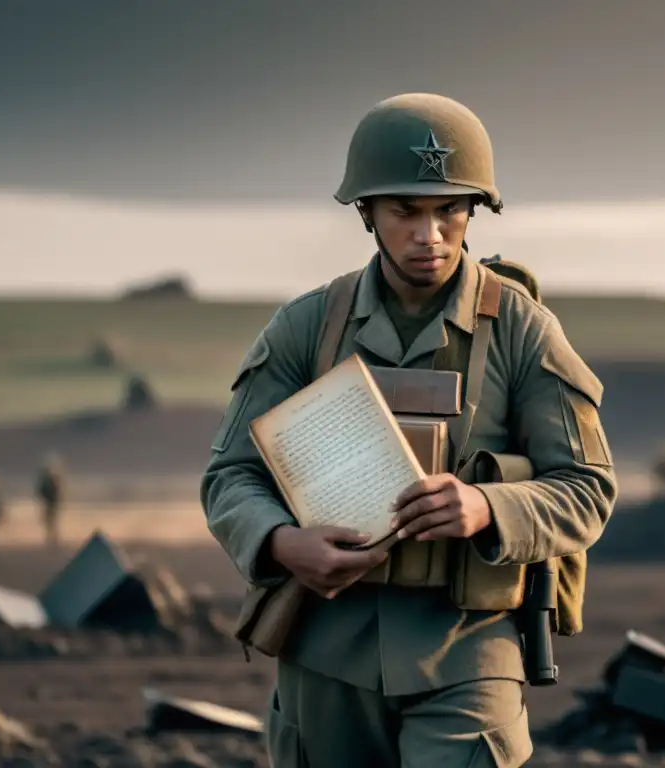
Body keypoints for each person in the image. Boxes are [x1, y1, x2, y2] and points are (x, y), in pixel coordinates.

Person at [201, 92, 618, 768]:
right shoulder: (308, 328)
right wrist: (281, 544)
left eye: (450, 210)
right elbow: (231, 476)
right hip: (327, 650)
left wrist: (488, 506)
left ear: (474, 212)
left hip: (468, 650)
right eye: (406, 212)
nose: (430, 234)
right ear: (366, 213)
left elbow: (587, 487)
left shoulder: (520, 329)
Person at [35, 452, 66, 548]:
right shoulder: (52, 479)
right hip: (50, 503)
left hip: (50, 503)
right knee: (50, 521)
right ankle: (53, 538)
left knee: (50, 521)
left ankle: (53, 538)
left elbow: (42, 491)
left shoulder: (50, 480)